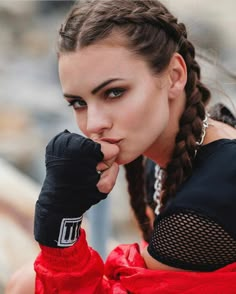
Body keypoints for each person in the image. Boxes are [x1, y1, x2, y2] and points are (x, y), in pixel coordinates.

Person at [6, 0, 236, 293]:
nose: (94, 124)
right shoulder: (182, 148)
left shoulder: (203, 207)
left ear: (174, 76)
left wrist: (57, 220)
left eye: (114, 92)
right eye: (78, 103)